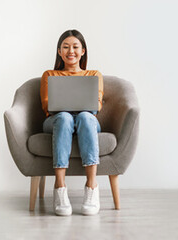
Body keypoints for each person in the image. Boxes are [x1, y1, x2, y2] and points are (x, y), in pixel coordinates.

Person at [41, 29, 104, 216]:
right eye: (66, 47)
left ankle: (92, 187)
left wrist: (79, 107)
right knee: (65, 117)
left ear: (83, 51)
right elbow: (47, 104)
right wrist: (67, 108)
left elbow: (97, 105)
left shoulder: (94, 75)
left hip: (87, 120)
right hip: (57, 119)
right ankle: (60, 188)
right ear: (59, 51)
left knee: (85, 116)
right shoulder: (49, 75)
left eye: (75, 47)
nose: (71, 51)